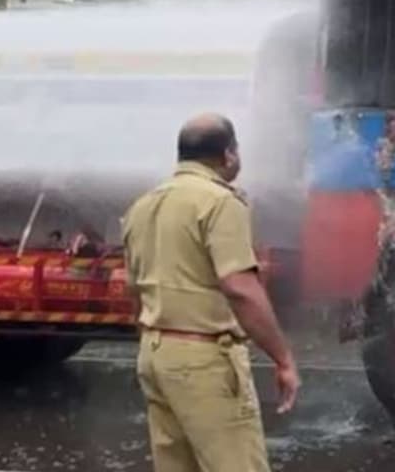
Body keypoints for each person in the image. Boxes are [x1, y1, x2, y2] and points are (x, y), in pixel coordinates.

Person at [122, 114, 300, 472]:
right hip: (204, 358)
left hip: (155, 354)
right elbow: (240, 288)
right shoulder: (220, 202)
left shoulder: (143, 206)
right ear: (228, 155)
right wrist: (283, 359)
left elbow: (133, 291)